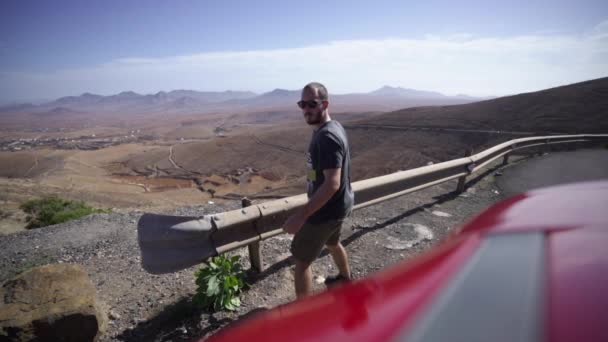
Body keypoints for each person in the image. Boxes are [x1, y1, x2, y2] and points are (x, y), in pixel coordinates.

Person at [283, 82, 354, 299]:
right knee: (332, 242)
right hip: (338, 207)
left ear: (325, 104)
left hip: (324, 211)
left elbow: (332, 183)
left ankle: (303, 313)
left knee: (302, 261)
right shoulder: (333, 127)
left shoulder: (327, 137)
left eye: (312, 104)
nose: (306, 109)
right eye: (302, 104)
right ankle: (345, 279)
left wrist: (300, 216)